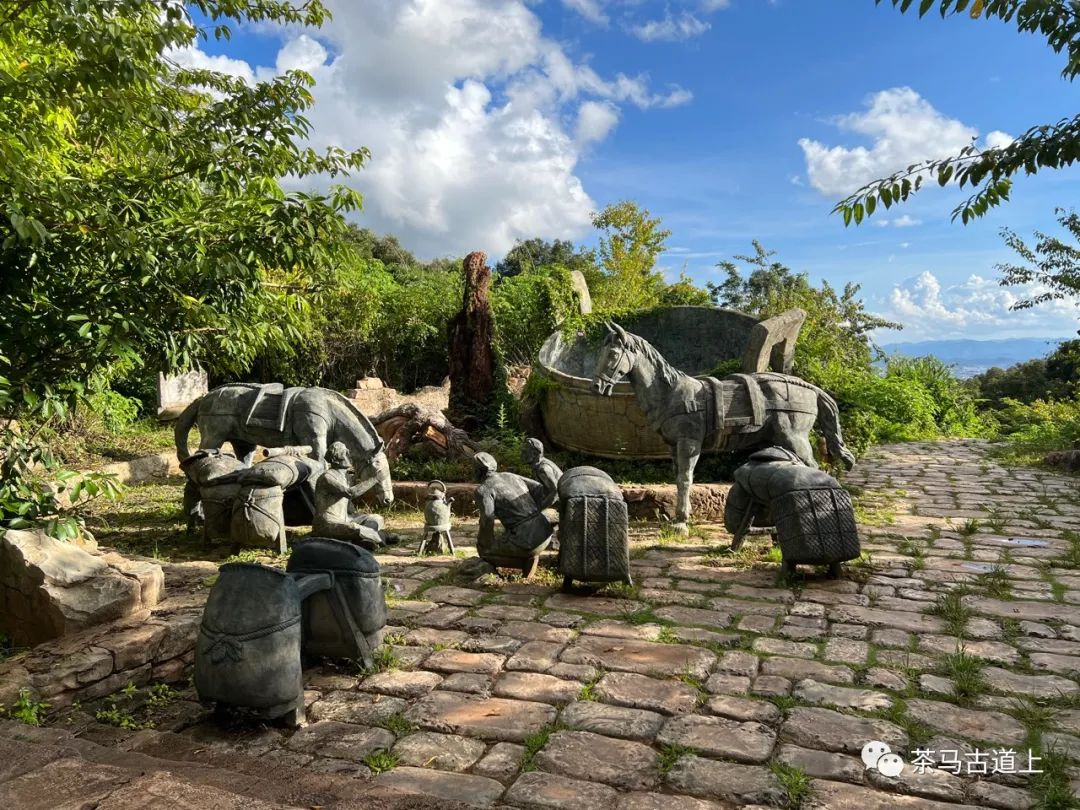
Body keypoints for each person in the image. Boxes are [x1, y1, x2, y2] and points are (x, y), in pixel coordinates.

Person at [473, 452, 552, 575]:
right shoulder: (510, 475)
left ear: (478, 471)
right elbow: (539, 490)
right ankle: (529, 557)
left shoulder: (483, 490)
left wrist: (484, 543)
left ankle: (524, 562)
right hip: (545, 532)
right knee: (504, 536)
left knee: (484, 550)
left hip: (527, 542)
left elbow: (487, 520)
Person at [313, 442, 399, 550]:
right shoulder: (327, 477)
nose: (349, 454)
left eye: (348, 451)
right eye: (344, 453)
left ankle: (365, 540)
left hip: (345, 519)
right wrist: (375, 478)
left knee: (376, 518)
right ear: (335, 459)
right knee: (355, 528)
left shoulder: (346, 477)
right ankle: (380, 537)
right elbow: (350, 493)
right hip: (328, 524)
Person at [521, 438, 562, 509]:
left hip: (562, 502)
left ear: (535, 453)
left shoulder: (543, 469)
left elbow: (555, 491)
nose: (521, 455)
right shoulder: (538, 465)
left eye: (524, 452)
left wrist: (539, 509)